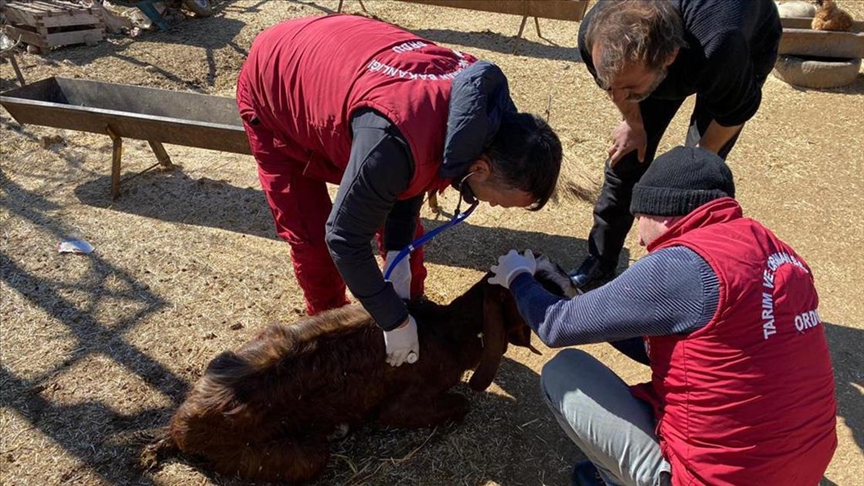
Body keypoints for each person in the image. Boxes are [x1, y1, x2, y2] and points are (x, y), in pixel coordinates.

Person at [488, 147, 837, 485]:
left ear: (665, 213)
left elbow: (555, 326)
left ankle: (617, 478)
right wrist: (578, 299)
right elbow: (675, 346)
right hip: (800, 470)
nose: (638, 239)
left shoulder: (685, 263)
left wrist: (517, 276)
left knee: (563, 373)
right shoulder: (775, 252)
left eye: (640, 217)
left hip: (712, 480)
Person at [236, 15, 562, 367]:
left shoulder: (480, 117)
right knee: (312, 235)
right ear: (480, 168)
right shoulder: (392, 143)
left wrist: (398, 258)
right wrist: (394, 321)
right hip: (277, 84)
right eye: (502, 202)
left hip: (344, 67)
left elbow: (411, 179)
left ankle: (411, 308)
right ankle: (332, 331)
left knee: (399, 237)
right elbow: (344, 239)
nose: (496, 207)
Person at [571, 0, 782, 289]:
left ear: (669, 57)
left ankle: (677, 281)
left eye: (629, 89)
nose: (618, 95)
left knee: (693, 187)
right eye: (611, 86)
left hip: (742, 42)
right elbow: (619, 86)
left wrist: (696, 161)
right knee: (627, 159)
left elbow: (733, 113)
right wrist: (633, 122)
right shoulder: (593, 33)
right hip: (656, 60)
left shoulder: (721, 45)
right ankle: (600, 261)